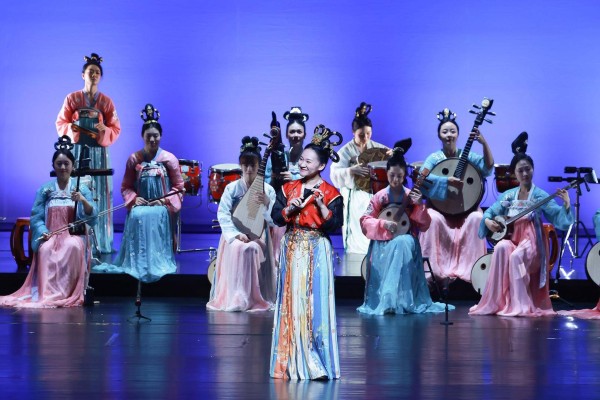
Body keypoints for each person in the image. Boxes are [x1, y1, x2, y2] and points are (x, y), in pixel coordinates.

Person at [470, 132, 573, 317]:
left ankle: (520, 305)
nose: (525, 174)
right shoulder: (509, 195)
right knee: (501, 248)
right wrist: (488, 221)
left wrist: (566, 204)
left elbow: (557, 215)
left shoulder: (539, 195)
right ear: (514, 173)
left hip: (532, 244)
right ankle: (498, 302)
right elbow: (491, 212)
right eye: (520, 170)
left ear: (533, 169)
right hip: (513, 240)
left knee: (517, 257)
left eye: (528, 169)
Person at [270, 125, 344, 380]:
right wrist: (290, 209)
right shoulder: (288, 188)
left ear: (321, 165)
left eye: (308, 161)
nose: (302, 163)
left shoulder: (332, 194)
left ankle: (316, 360)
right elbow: (276, 218)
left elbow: (335, 226)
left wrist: (321, 205)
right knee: (293, 302)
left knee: (316, 303)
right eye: (301, 159)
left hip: (317, 248)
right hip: (292, 246)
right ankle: (292, 359)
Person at [0, 136, 97, 308]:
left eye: (66, 163)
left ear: (73, 165)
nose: (63, 167)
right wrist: (42, 231)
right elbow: (36, 216)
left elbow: (92, 216)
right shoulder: (45, 189)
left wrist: (82, 200)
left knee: (73, 247)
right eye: (59, 164)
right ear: (53, 166)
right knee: (45, 249)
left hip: (71, 235)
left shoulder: (81, 188)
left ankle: (69, 292)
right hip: (50, 234)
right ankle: (47, 293)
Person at [358, 139, 450, 315]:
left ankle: (397, 299)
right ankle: (389, 299)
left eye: (399, 176)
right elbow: (364, 221)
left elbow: (424, 225)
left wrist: (419, 206)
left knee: (402, 242)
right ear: (387, 173)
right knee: (398, 243)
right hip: (383, 244)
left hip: (407, 242)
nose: (395, 180)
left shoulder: (411, 196)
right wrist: (383, 224)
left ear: (405, 176)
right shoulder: (380, 196)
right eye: (392, 175)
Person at [93, 104, 183, 283]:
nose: (152, 139)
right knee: (137, 214)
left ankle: (157, 261)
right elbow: (126, 186)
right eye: (149, 136)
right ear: (142, 136)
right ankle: (138, 262)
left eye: (156, 136)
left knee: (156, 214)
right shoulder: (134, 159)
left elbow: (179, 187)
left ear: (161, 136)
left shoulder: (169, 159)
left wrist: (164, 202)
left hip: (162, 206)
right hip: (141, 204)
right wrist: (135, 199)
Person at [56, 53, 121, 254]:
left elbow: (116, 128)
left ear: (100, 77)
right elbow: (61, 122)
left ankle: (101, 240)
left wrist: (104, 129)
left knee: (100, 192)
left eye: (97, 72)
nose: (94, 75)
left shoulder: (106, 102)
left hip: (99, 152)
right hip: (77, 149)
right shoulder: (72, 98)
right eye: (90, 71)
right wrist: (73, 127)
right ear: (83, 75)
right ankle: (73, 238)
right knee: (76, 189)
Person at [418, 108, 494, 283]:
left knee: (477, 218)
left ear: (458, 134)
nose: (449, 135)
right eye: (445, 131)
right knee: (431, 218)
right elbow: (421, 178)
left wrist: (484, 143)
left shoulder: (466, 156)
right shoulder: (434, 158)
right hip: (441, 210)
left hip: (465, 211)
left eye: (452, 131)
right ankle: (433, 273)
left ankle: (473, 273)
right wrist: (445, 182)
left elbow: (487, 168)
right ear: (439, 135)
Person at [206, 136, 277, 312]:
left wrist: (267, 203)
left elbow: (273, 220)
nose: (249, 169)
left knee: (252, 248)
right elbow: (223, 214)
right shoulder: (232, 188)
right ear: (240, 165)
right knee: (242, 248)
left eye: (253, 165)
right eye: (245, 165)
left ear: (259, 165)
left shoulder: (268, 190)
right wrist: (236, 234)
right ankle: (237, 296)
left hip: (257, 234)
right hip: (234, 235)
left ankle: (255, 297)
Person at [330, 102, 388, 255]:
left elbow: (389, 161)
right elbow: (334, 174)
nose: (365, 138)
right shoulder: (345, 151)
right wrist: (351, 171)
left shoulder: (376, 147)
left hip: (373, 194)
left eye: (368, 134)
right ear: (353, 133)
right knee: (357, 229)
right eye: (361, 135)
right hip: (354, 195)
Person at [265, 107, 309, 263]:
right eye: (292, 132)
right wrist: (274, 178)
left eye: (299, 132)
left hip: (302, 207)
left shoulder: (310, 155)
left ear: (304, 134)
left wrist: (294, 178)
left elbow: (315, 182)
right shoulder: (278, 154)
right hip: (279, 205)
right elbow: (265, 182)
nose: (295, 135)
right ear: (286, 134)